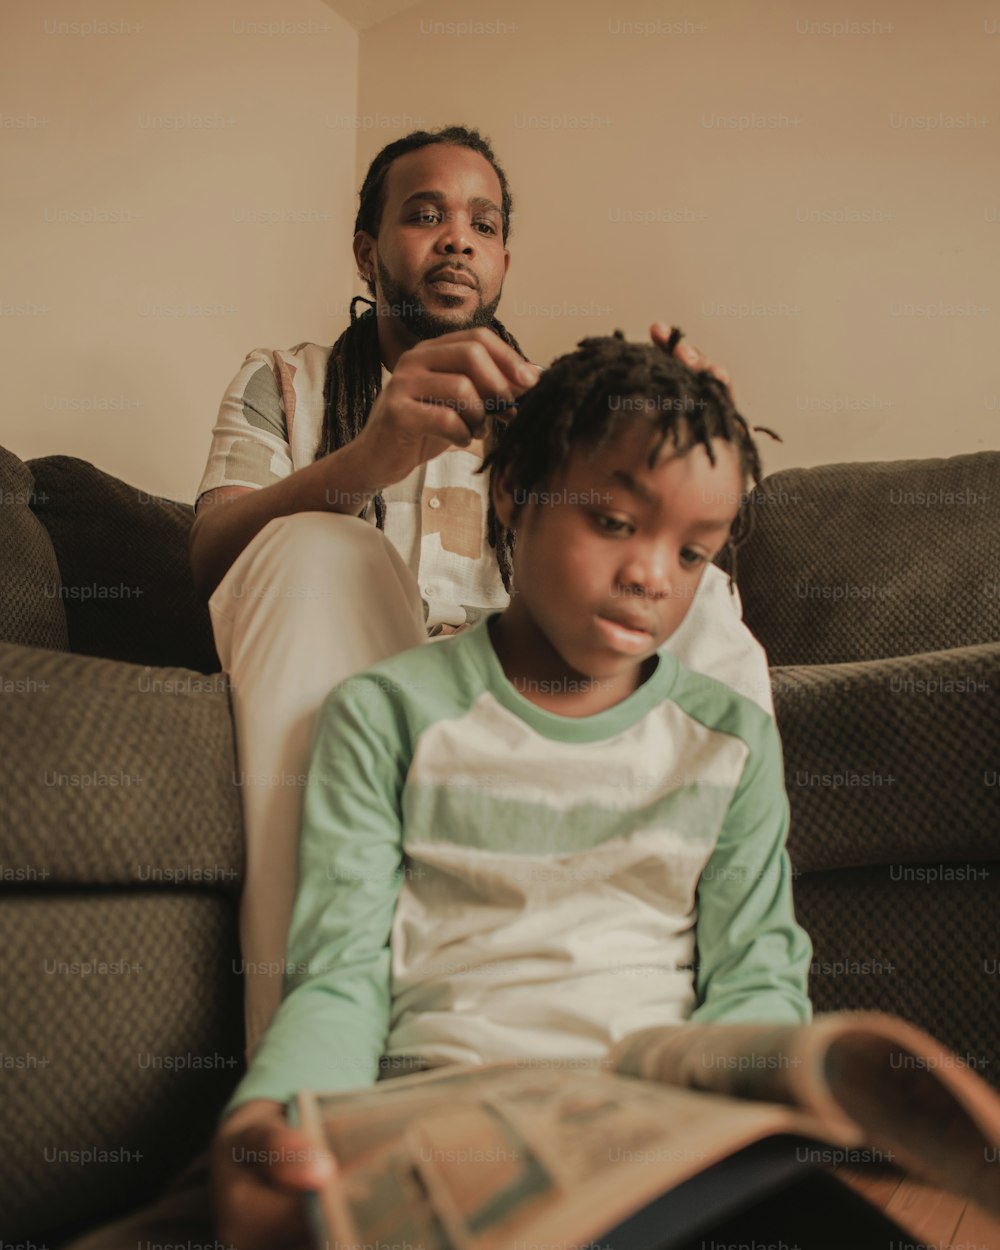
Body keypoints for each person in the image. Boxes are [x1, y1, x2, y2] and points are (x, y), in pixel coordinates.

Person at [211, 331, 813, 1250]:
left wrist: (781, 1091)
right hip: (443, 1112)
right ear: (513, 493)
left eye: (693, 552)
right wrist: (277, 1115)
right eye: (614, 521)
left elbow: (757, 978)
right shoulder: (383, 715)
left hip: (653, 1126)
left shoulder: (729, 739)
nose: (653, 576)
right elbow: (340, 978)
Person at [187, 124, 770, 1059]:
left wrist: (696, 443)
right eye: (425, 214)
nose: (458, 237)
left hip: (512, 701)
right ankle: (307, 1080)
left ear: (501, 260)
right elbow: (214, 554)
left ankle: (713, 1052)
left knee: (708, 604)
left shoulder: (553, 412)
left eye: (483, 223)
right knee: (321, 554)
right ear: (367, 250)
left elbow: (647, 568)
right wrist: (365, 460)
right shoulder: (285, 381)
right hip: (356, 693)